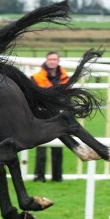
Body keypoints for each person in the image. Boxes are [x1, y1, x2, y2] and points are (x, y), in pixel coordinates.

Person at [31, 51, 68, 182]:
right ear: (46, 61)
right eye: (50, 59)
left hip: (58, 114)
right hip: (43, 115)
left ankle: (57, 177)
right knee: (41, 147)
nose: (52, 61)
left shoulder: (65, 77)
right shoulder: (36, 77)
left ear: (58, 61)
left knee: (58, 147)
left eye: (55, 59)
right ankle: (39, 176)